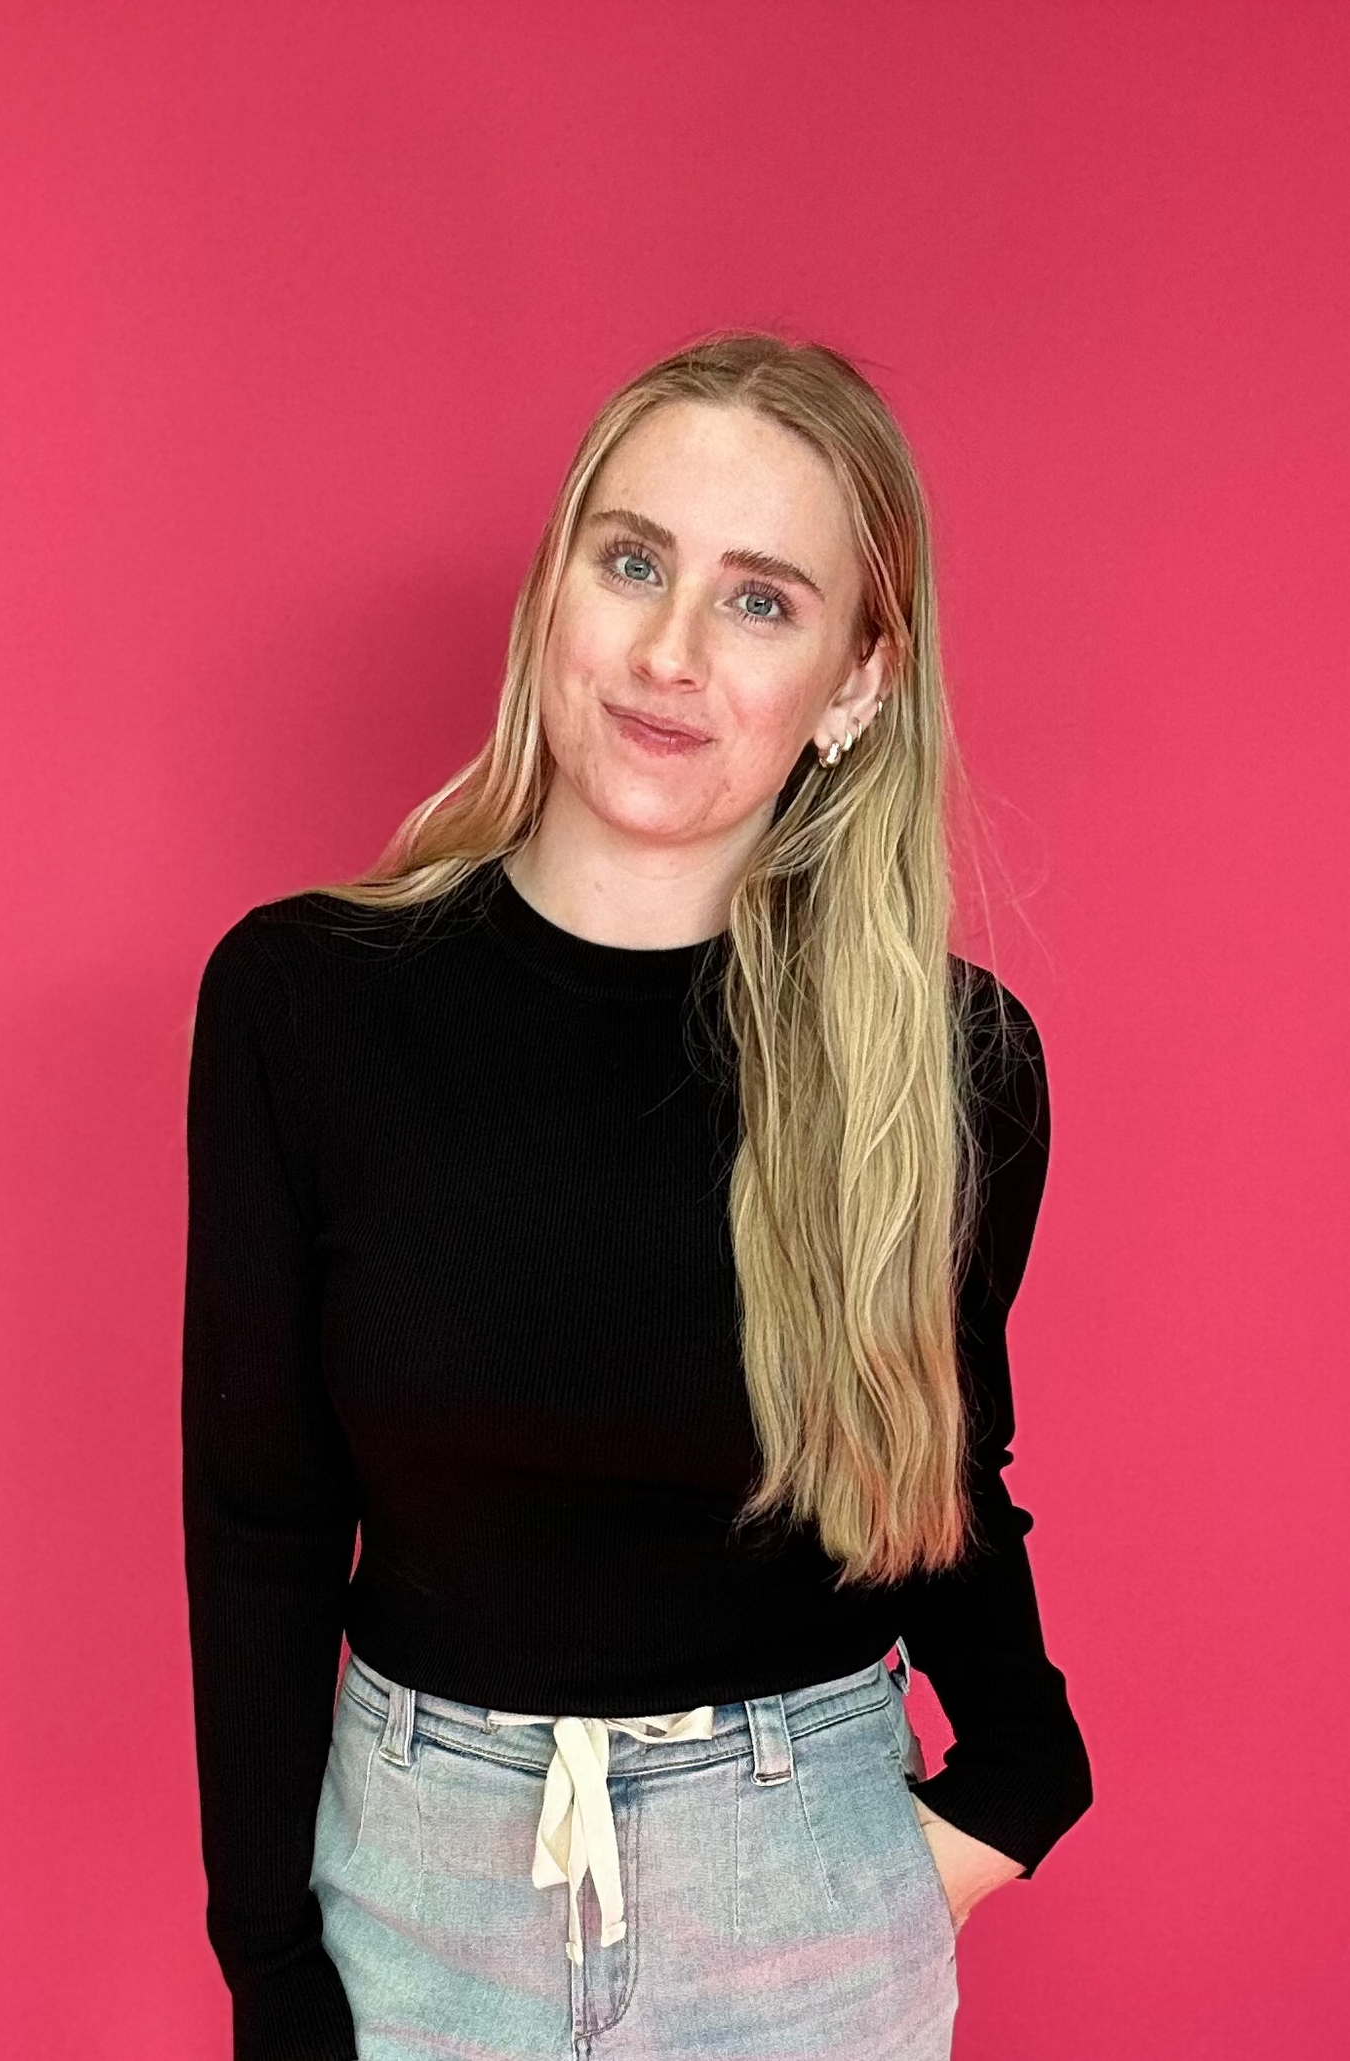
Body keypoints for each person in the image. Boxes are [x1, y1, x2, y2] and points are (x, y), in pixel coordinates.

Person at [181, 331, 1093, 2061]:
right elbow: (260, 1521)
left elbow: (936, 1479)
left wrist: (1021, 1784)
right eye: (634, 561)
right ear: (559, 595)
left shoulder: (950, 1063)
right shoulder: (307, 1003)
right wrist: (270, 1966)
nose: (671, 652)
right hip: (411, 1894)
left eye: (762, 602)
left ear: (854, 680)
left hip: (803, 1893)